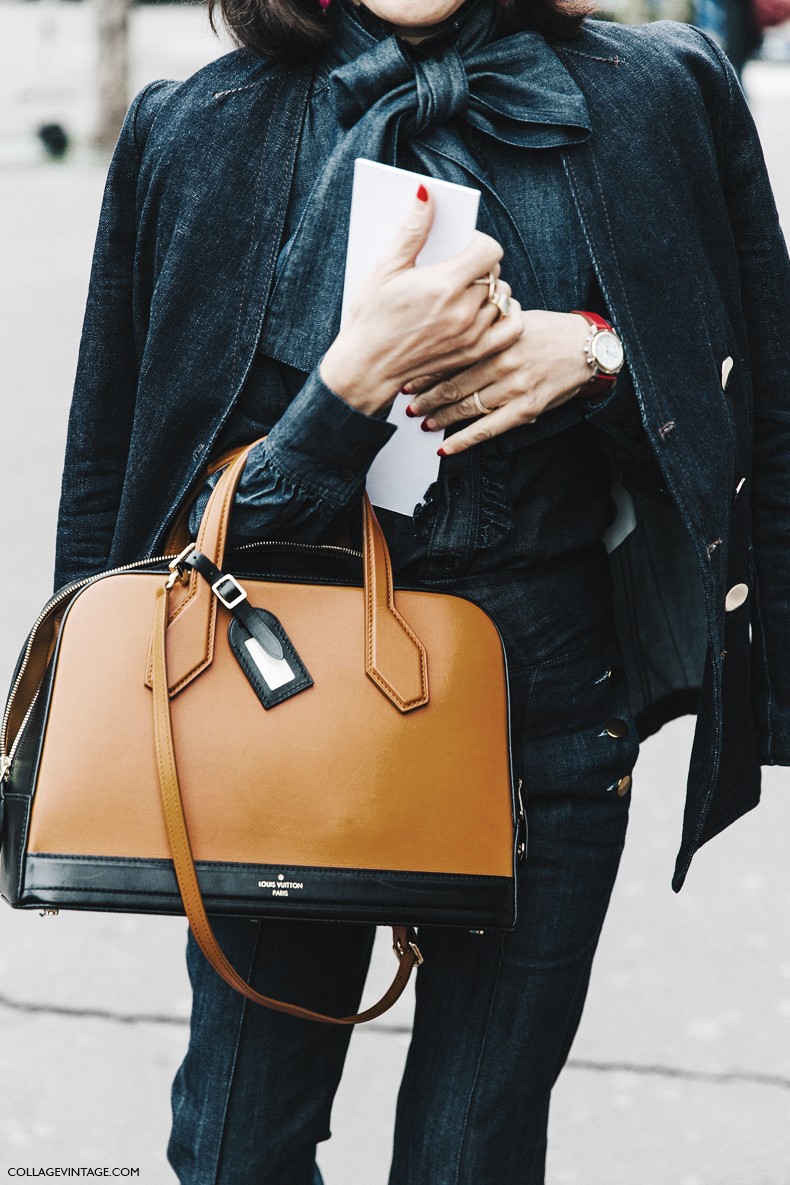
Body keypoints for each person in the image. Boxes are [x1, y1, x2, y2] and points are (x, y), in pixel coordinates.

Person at [54, 0, 790, 1179]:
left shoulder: (660, 93)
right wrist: (346, 392)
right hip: (279, 717)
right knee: (239, 1144)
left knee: (475, 1152)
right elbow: (147, 510)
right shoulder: (195, 132)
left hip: (551, 716)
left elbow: (738, 410)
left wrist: (595, 358)